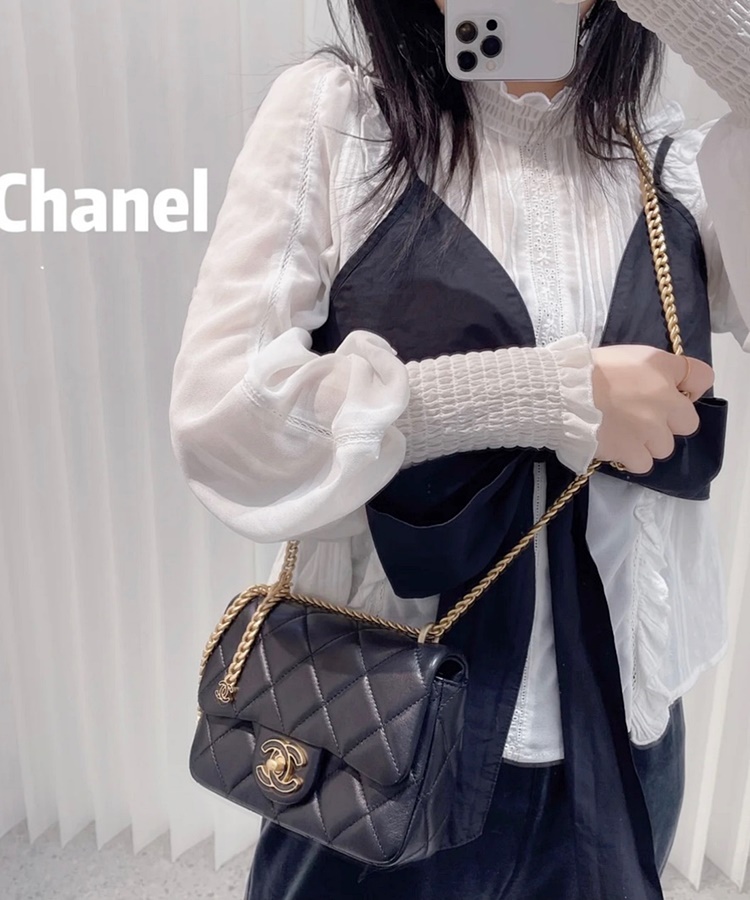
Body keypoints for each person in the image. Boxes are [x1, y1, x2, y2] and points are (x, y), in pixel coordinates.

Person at [168, 0, 750, 897]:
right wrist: (545, 397)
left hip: (624, 734)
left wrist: (714, 24)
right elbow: (227, 419)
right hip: (384, 730)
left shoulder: (666, 151)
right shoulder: (340, 117)